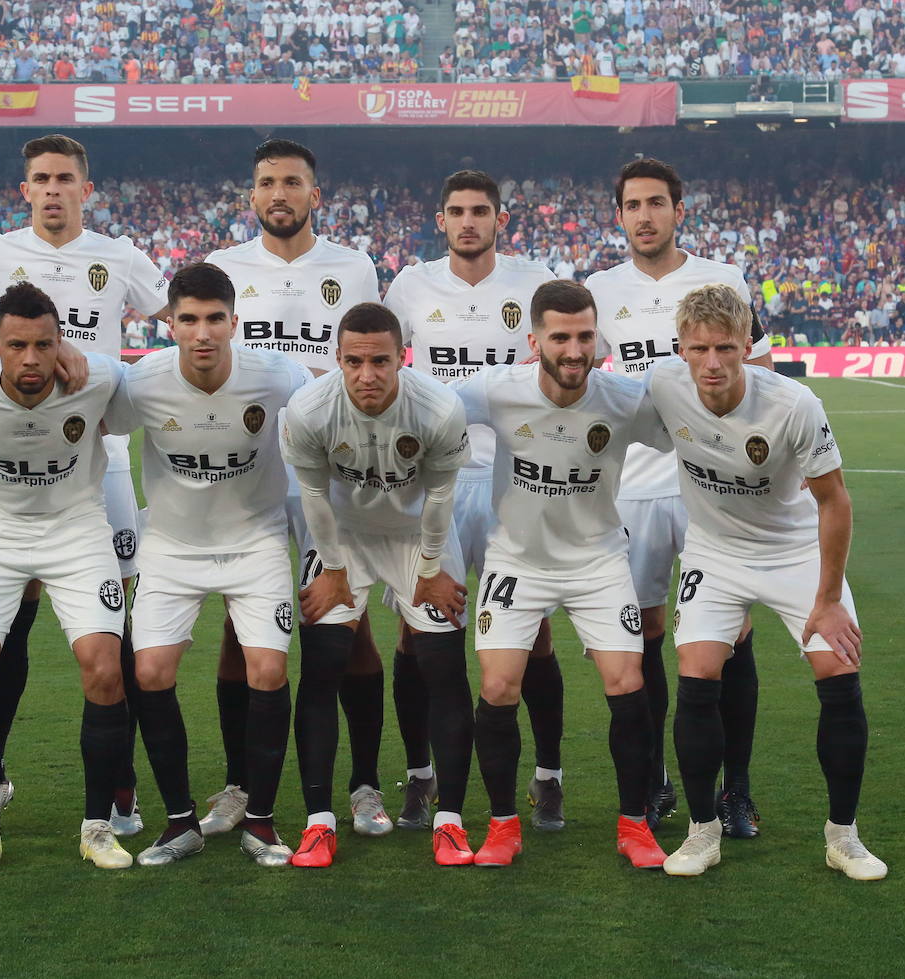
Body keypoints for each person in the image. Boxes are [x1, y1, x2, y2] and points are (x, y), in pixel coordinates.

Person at [0, 134, 170, 836]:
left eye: (66, 177)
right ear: (25, 189)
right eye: (42, 178)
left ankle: (121, 789)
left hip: (104, 455)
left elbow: (173, 311)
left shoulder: (119, 257)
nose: (55, 188)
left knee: (114, 622)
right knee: (11, 617)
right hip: (14, 450)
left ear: (85, 189)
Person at [650, 284, 885, 881]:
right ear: (680, 347)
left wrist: (829, 599)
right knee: (698, 673)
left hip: (794, 552)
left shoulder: (793, 404)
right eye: (698, 348)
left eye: (725, 347)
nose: (712, 363)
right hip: (714, 552)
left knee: (838, 670)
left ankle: (844, 837)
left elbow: (834, 502)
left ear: (748, 345)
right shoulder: (663, 387)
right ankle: (702, 832)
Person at [203, 137, 393, 839]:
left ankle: (366, 781)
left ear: (316, 194)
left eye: (291, 182)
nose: (277, 194)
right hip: (247, 470)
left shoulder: (354, 267)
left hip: (333, 470)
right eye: (265, 183)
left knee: (346, 620)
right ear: (250, 196)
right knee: (237, 624)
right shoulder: (223, 269)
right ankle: (238, 783)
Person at [585, 158, 773, 836]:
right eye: (633, 204)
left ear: (678, 209)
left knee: (730, 634)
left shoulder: (723, 278)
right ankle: (658, 781)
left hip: (711, 487)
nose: (645, 215)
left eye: (657, 202)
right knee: (646, 635)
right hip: (632, 490)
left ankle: (736, 789)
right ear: (619, 215)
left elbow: (762, 377)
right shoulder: (599, 288)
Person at [453, 280, 668, 870]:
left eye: (584, 336)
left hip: (598, 561)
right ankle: (502, 826)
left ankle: (634, 825)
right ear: (534, 341)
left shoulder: (624, 397)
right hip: (517, 560)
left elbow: (691, 436)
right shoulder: (498, 390)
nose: (575, 350)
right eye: (561, 337)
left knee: (628, 684)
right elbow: (430, 408)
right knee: (498, 689)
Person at [105, 263, 310, 868]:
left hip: (256, 542)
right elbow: (90, 414)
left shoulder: (277, 375)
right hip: (171, 546)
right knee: (150, 673)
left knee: (268, 672)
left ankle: (262, 824)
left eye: (214, 320)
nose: (201, 333)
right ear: (169, 323)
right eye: (187, 320)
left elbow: (326, 414)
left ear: (233, 322)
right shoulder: (142, 381)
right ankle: (179, 823)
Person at [384, 169, 566, 832]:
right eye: (456, 210)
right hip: (434, 480)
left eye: (480, 211)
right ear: (440, 219)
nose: (468, 221)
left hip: (514, 479)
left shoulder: (534, 280)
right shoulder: (410, 285)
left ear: (501, 219)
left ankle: (548, 777)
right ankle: (420, 776)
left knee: (533, 630)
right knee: (415, 631)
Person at [0, 282, 133, 873]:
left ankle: (98, 826)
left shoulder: (98, 378)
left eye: (44, 345)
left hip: (75, 531)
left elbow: (134, 383)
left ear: (60, 344)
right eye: (16, 345)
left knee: (103, 664)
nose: (30, 359)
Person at [280, 302, 475, 868]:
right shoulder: (310, 409)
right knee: (320, 668)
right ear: (337, 359)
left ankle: (450, 822)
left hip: (419, 537)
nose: (367, 375)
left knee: (444, 669)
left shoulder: (437, 408)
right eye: (355, 362)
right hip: (341, 537)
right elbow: (313, 496)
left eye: (380, 362)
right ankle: (318, 823)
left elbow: (440, 496)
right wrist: (334, 568)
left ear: (401, 358)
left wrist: (433, 568)